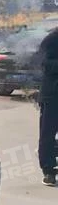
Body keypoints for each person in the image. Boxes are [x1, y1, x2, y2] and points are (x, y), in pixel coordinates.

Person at [37, 28, 58, 186]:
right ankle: (49, 171)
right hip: (52, 96)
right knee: (48, 134)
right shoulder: (51, 40)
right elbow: (44, 64)